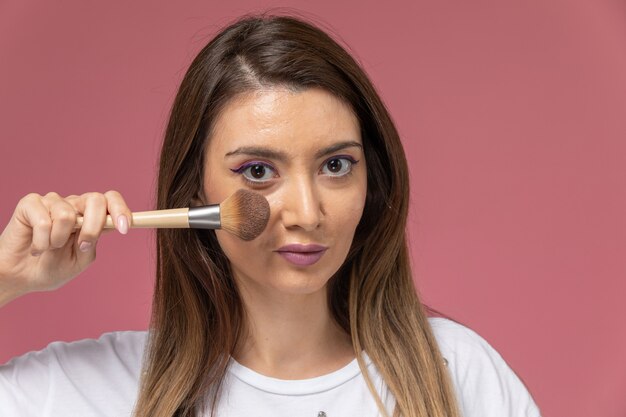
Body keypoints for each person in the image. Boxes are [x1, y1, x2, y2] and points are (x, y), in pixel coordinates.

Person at [0, 14, 541, 417]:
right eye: (258, 171)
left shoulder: (457, 373)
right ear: (194, 191)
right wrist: (5, 277)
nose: (306, 213)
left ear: (372, 183)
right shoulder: (90, 389)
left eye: (336, 164)